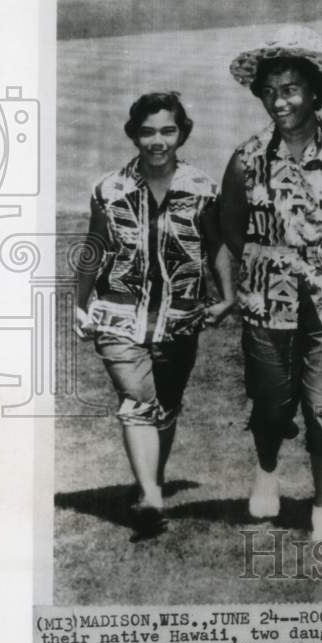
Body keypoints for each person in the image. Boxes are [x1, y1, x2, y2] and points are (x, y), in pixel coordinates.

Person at [221, 25, 322, 541]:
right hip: (267, 297)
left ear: (315, 90)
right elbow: (230, 224)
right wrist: (270, 266)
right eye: (268, 91)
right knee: (271, 400)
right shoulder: (246, 159)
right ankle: (266, 470)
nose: (277, 101)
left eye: (289, 89)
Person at [75, 92, 234, 539]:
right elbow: (94, 248)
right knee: (138, 402)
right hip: (119, 314)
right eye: (147, 131)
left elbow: (215, 245)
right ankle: (149, 498)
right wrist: (79, 302)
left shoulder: (203, 189)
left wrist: (227, 296)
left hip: (180, 318)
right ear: (134, 134)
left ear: (182, 132)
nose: (157, 141)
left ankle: (151, 483)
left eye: (167, 130)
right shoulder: (108, 189)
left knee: (165, 407)